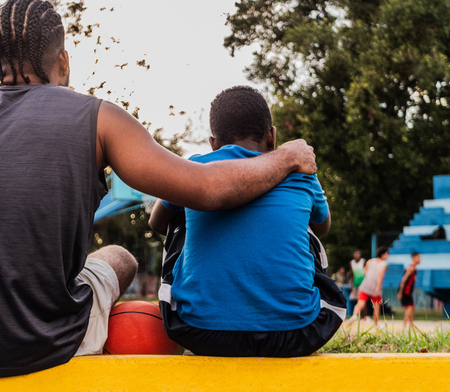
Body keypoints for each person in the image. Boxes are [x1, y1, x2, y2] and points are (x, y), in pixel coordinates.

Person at [0, 0, 318, 378]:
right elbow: (205, 189)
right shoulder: (98, 118)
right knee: (119, 257)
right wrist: (284, 157)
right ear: (64, 62)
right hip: (42, 341)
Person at [148, 85, 346, 357]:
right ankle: (288, 301)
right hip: (297, 333)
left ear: (213, 144)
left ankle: (199, 301)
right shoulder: (301, 174)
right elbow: (323, 227)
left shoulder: (196, 167)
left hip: (199, 332)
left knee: (179, 213)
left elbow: (157, 223)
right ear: (272, 137)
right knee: (305, 223)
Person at [351, 246, 389, 326]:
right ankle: (376, 324)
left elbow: (364, 273)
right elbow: (380, 277)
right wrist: (378, 288)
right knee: (376, 307)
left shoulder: (370, 261)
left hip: (365, 285)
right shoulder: (384, 264)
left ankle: (354, 315)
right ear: (383, 254)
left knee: (360, 303)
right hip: (375, 287)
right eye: (387, 254)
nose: (388, 256)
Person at [397, 251, 421, 331]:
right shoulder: (410, 268)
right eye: (418, 257)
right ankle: (404, 325)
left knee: (412, 307)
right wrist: (400, 292)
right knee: (410, 307)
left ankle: (411, 324)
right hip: (405, 291)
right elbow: (403, 281)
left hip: (409, 291)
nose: (420, 259)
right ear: (414, 258)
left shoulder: (414, 268)